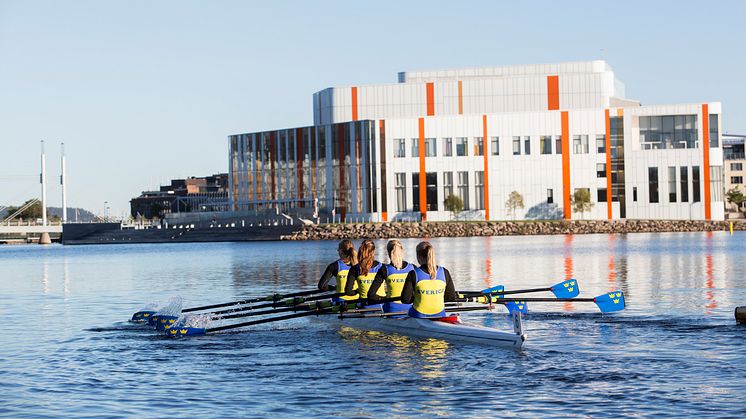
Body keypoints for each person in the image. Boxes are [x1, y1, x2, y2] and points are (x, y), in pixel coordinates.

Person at [399, 241, 458, 318]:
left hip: (418, 315)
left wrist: (419, 297)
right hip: (440, 314)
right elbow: (451, 297)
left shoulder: (413, 274)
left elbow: (405, 300)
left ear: (418, 256)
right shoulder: (445, 272)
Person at [367, 240, 414, 316]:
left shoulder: (384, 269)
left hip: (392, 309)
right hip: (410, 309)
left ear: (388, 253)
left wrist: (383, 299)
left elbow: (371, 295)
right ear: (402, 251)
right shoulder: (412, 268)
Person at [345, 239, 386, 308]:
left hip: (364, 305)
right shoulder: (383, 267)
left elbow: (348, 292)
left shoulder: (354, 269)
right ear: (373, 252)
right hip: (381, 304)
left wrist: (357, 291)